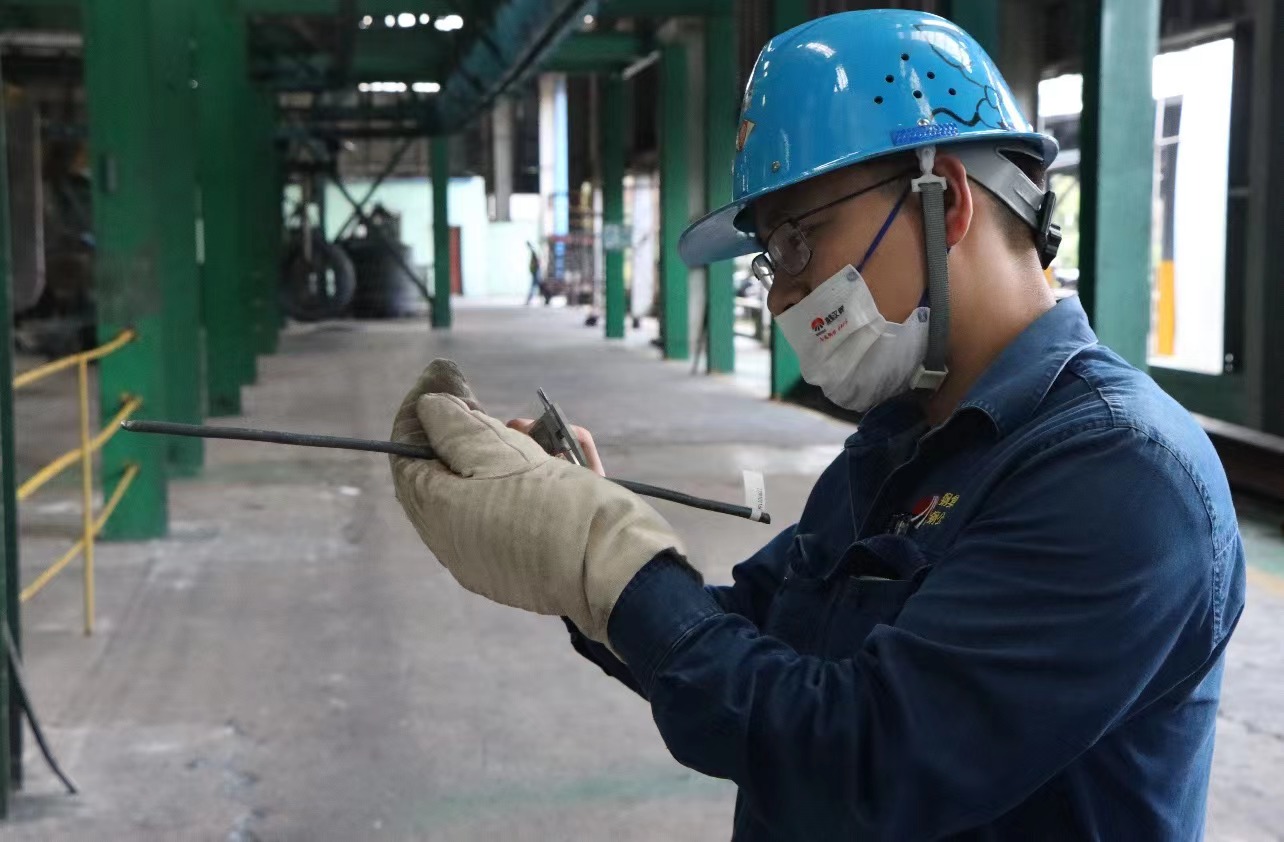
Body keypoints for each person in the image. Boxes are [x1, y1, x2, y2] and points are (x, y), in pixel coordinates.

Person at [389, 10, 1246, 840]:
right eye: (770, 258)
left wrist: (610, 563)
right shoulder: (902, 440)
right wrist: (574, 548)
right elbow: (752, 638)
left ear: (944, 201)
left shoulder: (1121, 476)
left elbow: (862, 765)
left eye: (799, 244)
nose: (780, 295)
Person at [525, 240, 544, 305]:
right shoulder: (534, 253)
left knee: (534, 286)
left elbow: (537, 262)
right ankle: (542, 299)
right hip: (535, 272)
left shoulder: (534, 252)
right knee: (537, 286)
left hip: (536, 272)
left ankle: (529, 300)